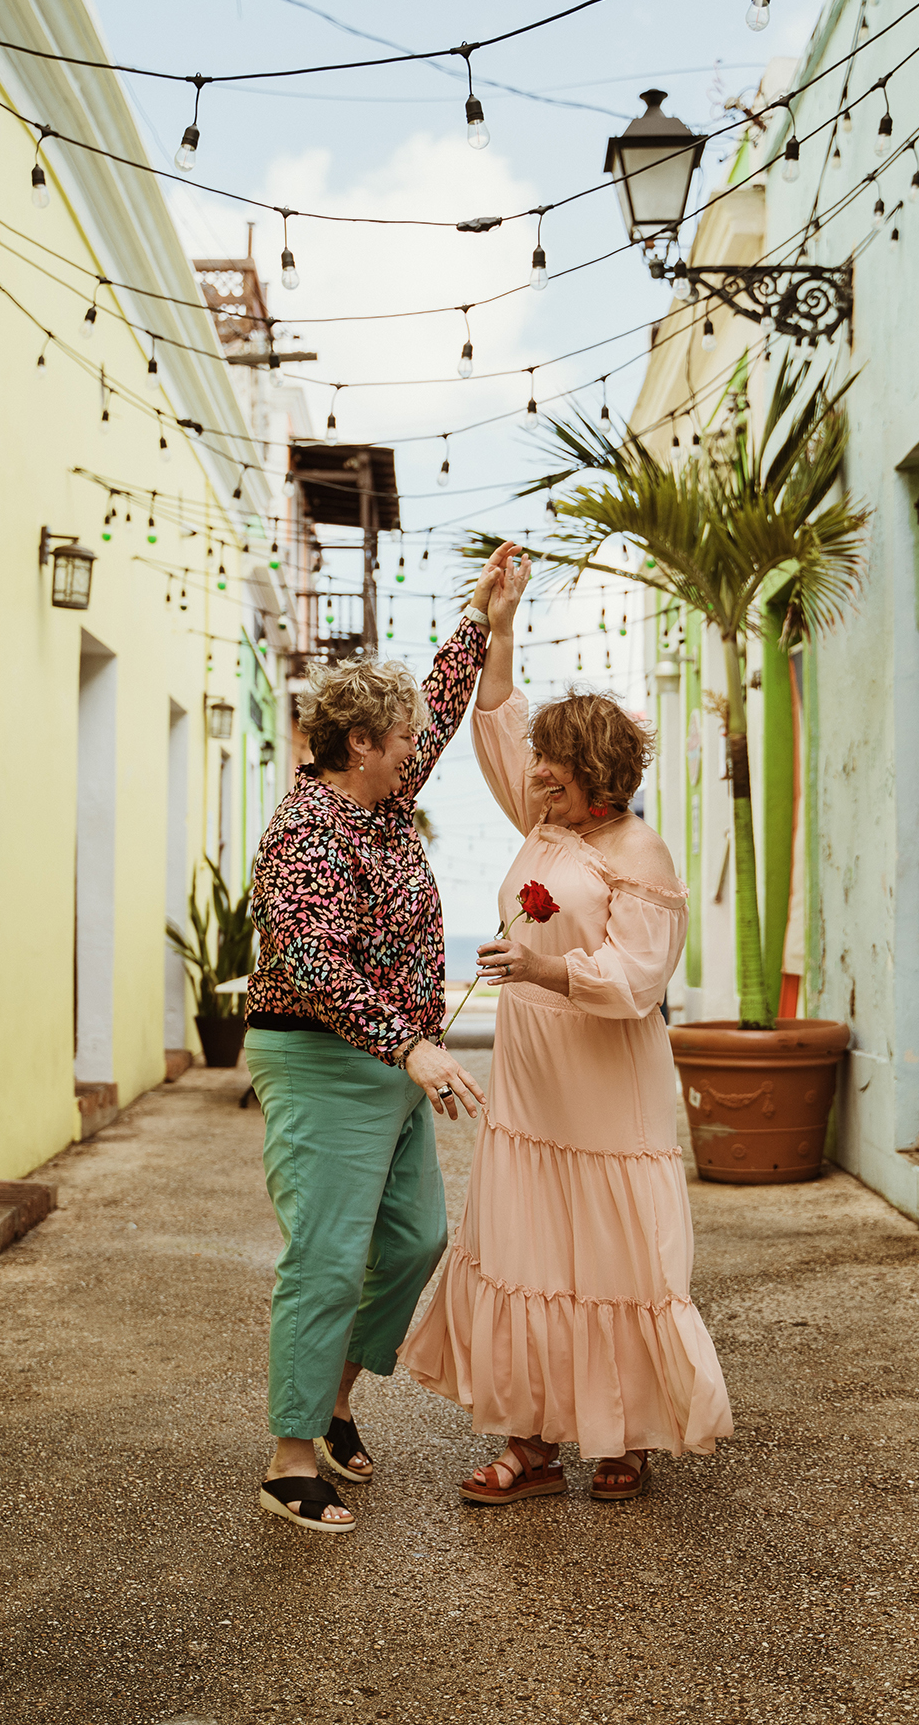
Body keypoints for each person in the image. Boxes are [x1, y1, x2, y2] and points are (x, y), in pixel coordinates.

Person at [401, 645, 733, 1503]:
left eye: (552, 764)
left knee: (616, 1256)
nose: (535, 772)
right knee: (529, 1251)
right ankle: (532, 1444)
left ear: (594, 775)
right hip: (532, 1083)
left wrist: (543, 968)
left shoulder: (641, 855)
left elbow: (636, 983)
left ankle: (626, 1436)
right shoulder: (548, 820)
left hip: (605, 1084)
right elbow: (501, 722)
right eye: (538, 762)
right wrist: (500, 630)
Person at [245, 544, 531, 1533]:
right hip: (323, 1059)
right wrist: (407, 1045)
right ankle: (290, 1456)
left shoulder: (386, 800)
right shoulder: (302, 834)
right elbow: (316, 963)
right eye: (401, 734)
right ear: (360, 741)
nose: (418, 743)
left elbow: (447, 706)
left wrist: (487, 616)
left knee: (414, 1240)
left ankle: (331, 1403)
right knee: (326, 1256)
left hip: (395, 1061)